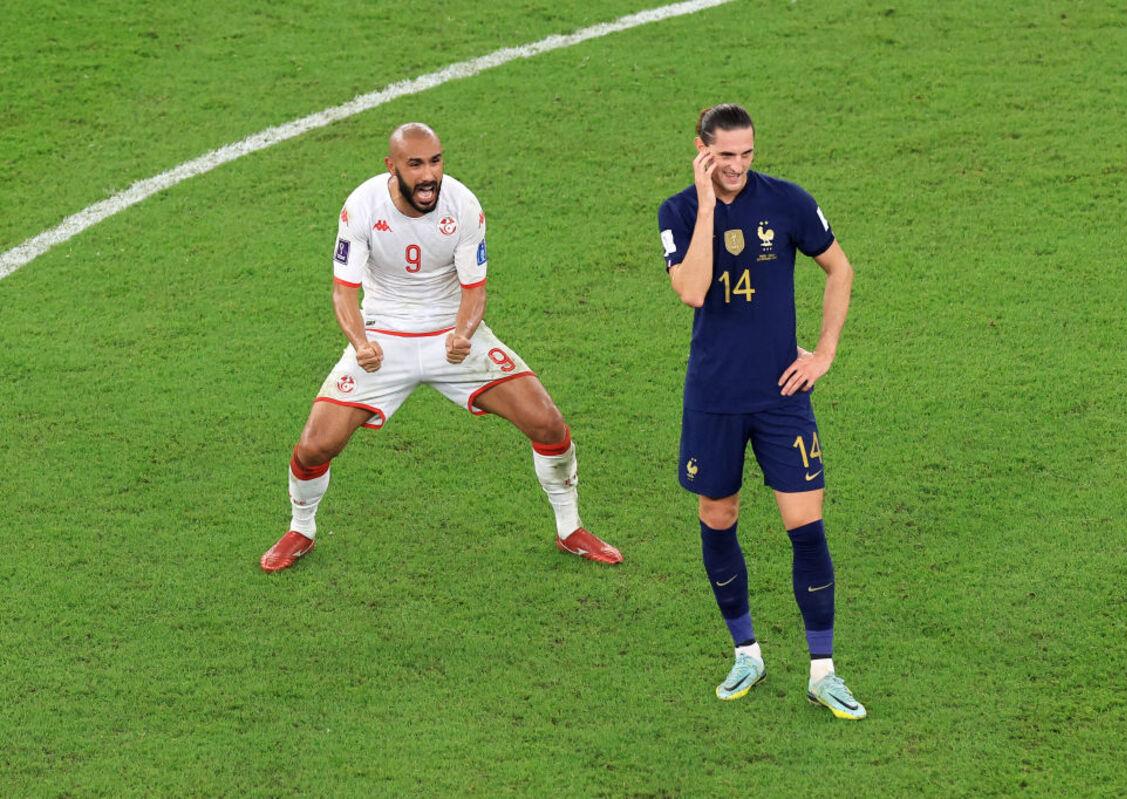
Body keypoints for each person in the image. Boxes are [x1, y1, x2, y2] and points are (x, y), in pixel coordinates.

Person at [262, 123, 622, 572]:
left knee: (547, 423)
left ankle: (570, 529)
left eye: (435, 161)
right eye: (416, 164)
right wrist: (360, 342)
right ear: (391, 167)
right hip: (383, 337)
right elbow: (343, 292)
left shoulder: (464, 204)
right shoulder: (361, 206)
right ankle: (301, 529)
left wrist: (464, 332)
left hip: (451, 336)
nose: (429, 174)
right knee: (316, 445)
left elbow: (476, 290)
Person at [657, 104, 864, 719]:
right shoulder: (678, 211)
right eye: (725, 156)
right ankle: (746, 651)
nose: (738, 167)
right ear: (701, 150)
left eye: (747, 154)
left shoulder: (788, 201)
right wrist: (706, 203)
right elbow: (693, 289)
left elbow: (840, 269)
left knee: (807, 524)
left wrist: (824, 353)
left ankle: (822, 671)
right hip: (714, 397)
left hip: (781, 396)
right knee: (718, 516)